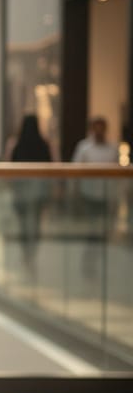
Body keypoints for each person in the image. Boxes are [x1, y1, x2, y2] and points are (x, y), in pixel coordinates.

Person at [71, 115, 119, 280]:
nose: (99, 131)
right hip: (89, 196)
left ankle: (97, 264)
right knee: (92, 232)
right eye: (96, 127)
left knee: (104, 232)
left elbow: (118, 175)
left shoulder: (113, 149)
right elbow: (75, 172)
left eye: (102, 127)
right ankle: (89, 264)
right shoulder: (84, 148)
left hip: (106, 197)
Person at [9, 113, 51, 269]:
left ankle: (26, 254)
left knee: (24, 225)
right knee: (35, 225)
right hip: (38, 191)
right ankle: (31, 253)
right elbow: (50, 168)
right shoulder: (43, 145)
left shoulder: (17, 145)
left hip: (21, 191)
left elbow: (9, 167)